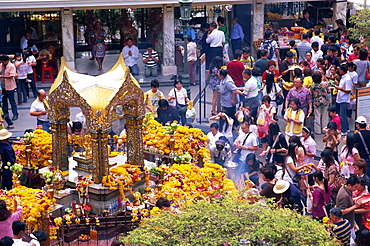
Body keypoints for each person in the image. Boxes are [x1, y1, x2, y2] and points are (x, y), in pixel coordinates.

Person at [336, 175, 361, 243]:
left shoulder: (345, 189)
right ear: (349, 185)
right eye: (355, 187)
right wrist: (355, 206)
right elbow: (341, 211)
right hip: (346, 223)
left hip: (350, 220)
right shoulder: (344, 195)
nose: (356, 189)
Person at [335, 64, 352, 135]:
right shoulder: (343, 77)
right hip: (341, 97)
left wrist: (340, 88)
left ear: (342, 70)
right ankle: (347, 128)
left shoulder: (347, 79)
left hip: (344, 99)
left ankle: (344, 130)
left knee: (343, 115)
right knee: (343, 114)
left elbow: (348, 90)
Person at [0, 56, 18, 122]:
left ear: (7, 61)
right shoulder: (1, 65)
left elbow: (11, 75)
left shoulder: (11, 66)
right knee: (4, 101)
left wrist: (2, 76)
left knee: (12, 101)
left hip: (10, 87)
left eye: (3, 61)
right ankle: (5, 114)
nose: (2, 63)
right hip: (3, 86)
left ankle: (15, 114)